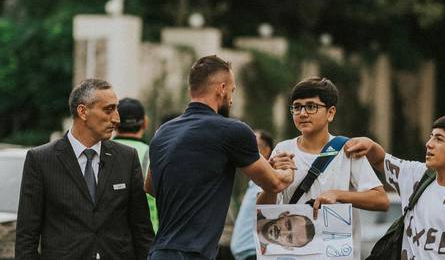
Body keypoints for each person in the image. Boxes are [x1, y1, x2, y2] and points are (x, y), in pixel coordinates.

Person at [146, 55, 295, 260]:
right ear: (221, 89)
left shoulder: (163, 132)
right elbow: (276, 183)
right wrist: (288, 170)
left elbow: (150, 186)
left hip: (159, 252)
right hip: (193, 253)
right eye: (232, 91)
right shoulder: (232, 130)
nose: (232, 99)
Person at [16, 79, 154, 260]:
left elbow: (142, 230)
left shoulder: (127, 158)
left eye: (116, 109)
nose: (117, 118)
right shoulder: (40, 160)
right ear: (83, 111)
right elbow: (27, 236)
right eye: (108, 109)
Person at [257, 77, 389, 260]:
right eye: (297, 107)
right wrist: (272, 184)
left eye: (311, 106)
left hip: (337, 255)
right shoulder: (282, 150)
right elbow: (263, 210)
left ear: (330, 113)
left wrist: (338, 195)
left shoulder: (347, 149)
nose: (302, 113)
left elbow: (381, 200)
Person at [346, 115, 445, 260]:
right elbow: (380, 160)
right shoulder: (417, 175)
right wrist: (370, 144)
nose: (429, 144)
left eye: (439, 139)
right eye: (431, 136)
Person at [113, 97, 159, 233]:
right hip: (148, 236)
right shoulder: (153, 154)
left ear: (115, 123)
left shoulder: (100, 152)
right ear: (145, 122)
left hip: (111, 239)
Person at [231, 130, 275, 260]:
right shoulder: (254, 180)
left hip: (254, 252)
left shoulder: (268, 180)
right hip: (246, 253)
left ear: (266, 150)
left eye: (252, 145)